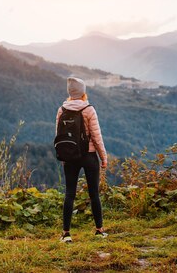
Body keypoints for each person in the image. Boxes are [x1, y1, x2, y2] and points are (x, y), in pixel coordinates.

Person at [56, 77, 108, 243]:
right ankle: (99, 230)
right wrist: (103, 157)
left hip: (70, 156)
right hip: (89, 156)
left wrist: (63, 155)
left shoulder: (61, 109)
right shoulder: (89, 109)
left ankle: (66, 234)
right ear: (83, 92)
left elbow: (58, 135)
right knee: (94, 194)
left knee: (69, 194)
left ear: (69, 92)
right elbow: (97, 137)